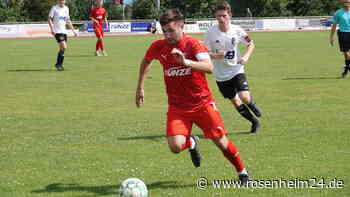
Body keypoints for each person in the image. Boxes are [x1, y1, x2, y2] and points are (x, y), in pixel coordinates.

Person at [135, 9, 250, 184]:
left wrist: (186, 62)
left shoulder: (193, 44)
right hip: (177, 108)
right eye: (164, 31)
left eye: (171, 30)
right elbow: (145, 61)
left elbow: (209, 67)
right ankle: (192, 143)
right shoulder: (158, 46)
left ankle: (242, 173)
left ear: (182, 27)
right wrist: (140, 88)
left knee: (221, 142)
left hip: (202, 104)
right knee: (175, 146)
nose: (167, 35)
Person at [204, 1, 262, 133]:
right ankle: (254, 122)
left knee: (244, 97)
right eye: (218, 16)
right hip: (220, 75)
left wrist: (246, 57)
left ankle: (252, 104)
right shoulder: (210, 33)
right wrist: (215, 55)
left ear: (230, 15)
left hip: (236, 70)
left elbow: (251, 44)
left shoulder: (237, 30)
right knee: (235, 101)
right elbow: (204, 53)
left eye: (224, 16)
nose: (221, 19)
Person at [48, 0, 78, 71]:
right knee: (64, 46)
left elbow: (68, 20)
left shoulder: (66, 8)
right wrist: (52, 29)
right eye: (61, 0)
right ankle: (59, 64)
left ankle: (58, 64)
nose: (62, 1)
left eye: (63, 0)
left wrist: (73, 31)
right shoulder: (54, 8)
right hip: (57, 31)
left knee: (62, 48)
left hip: (64, 31)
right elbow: (49, 19)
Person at [330, 0, 350, 78]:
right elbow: (334, 25)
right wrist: (331, 37)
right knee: (346, 53)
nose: (347, 3)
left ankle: (345, 70)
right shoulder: (338, 13)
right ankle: (347, 69)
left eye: (348, 1)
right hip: (343, 34)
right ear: (342, 2)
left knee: (347, 54)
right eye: (345, 1)